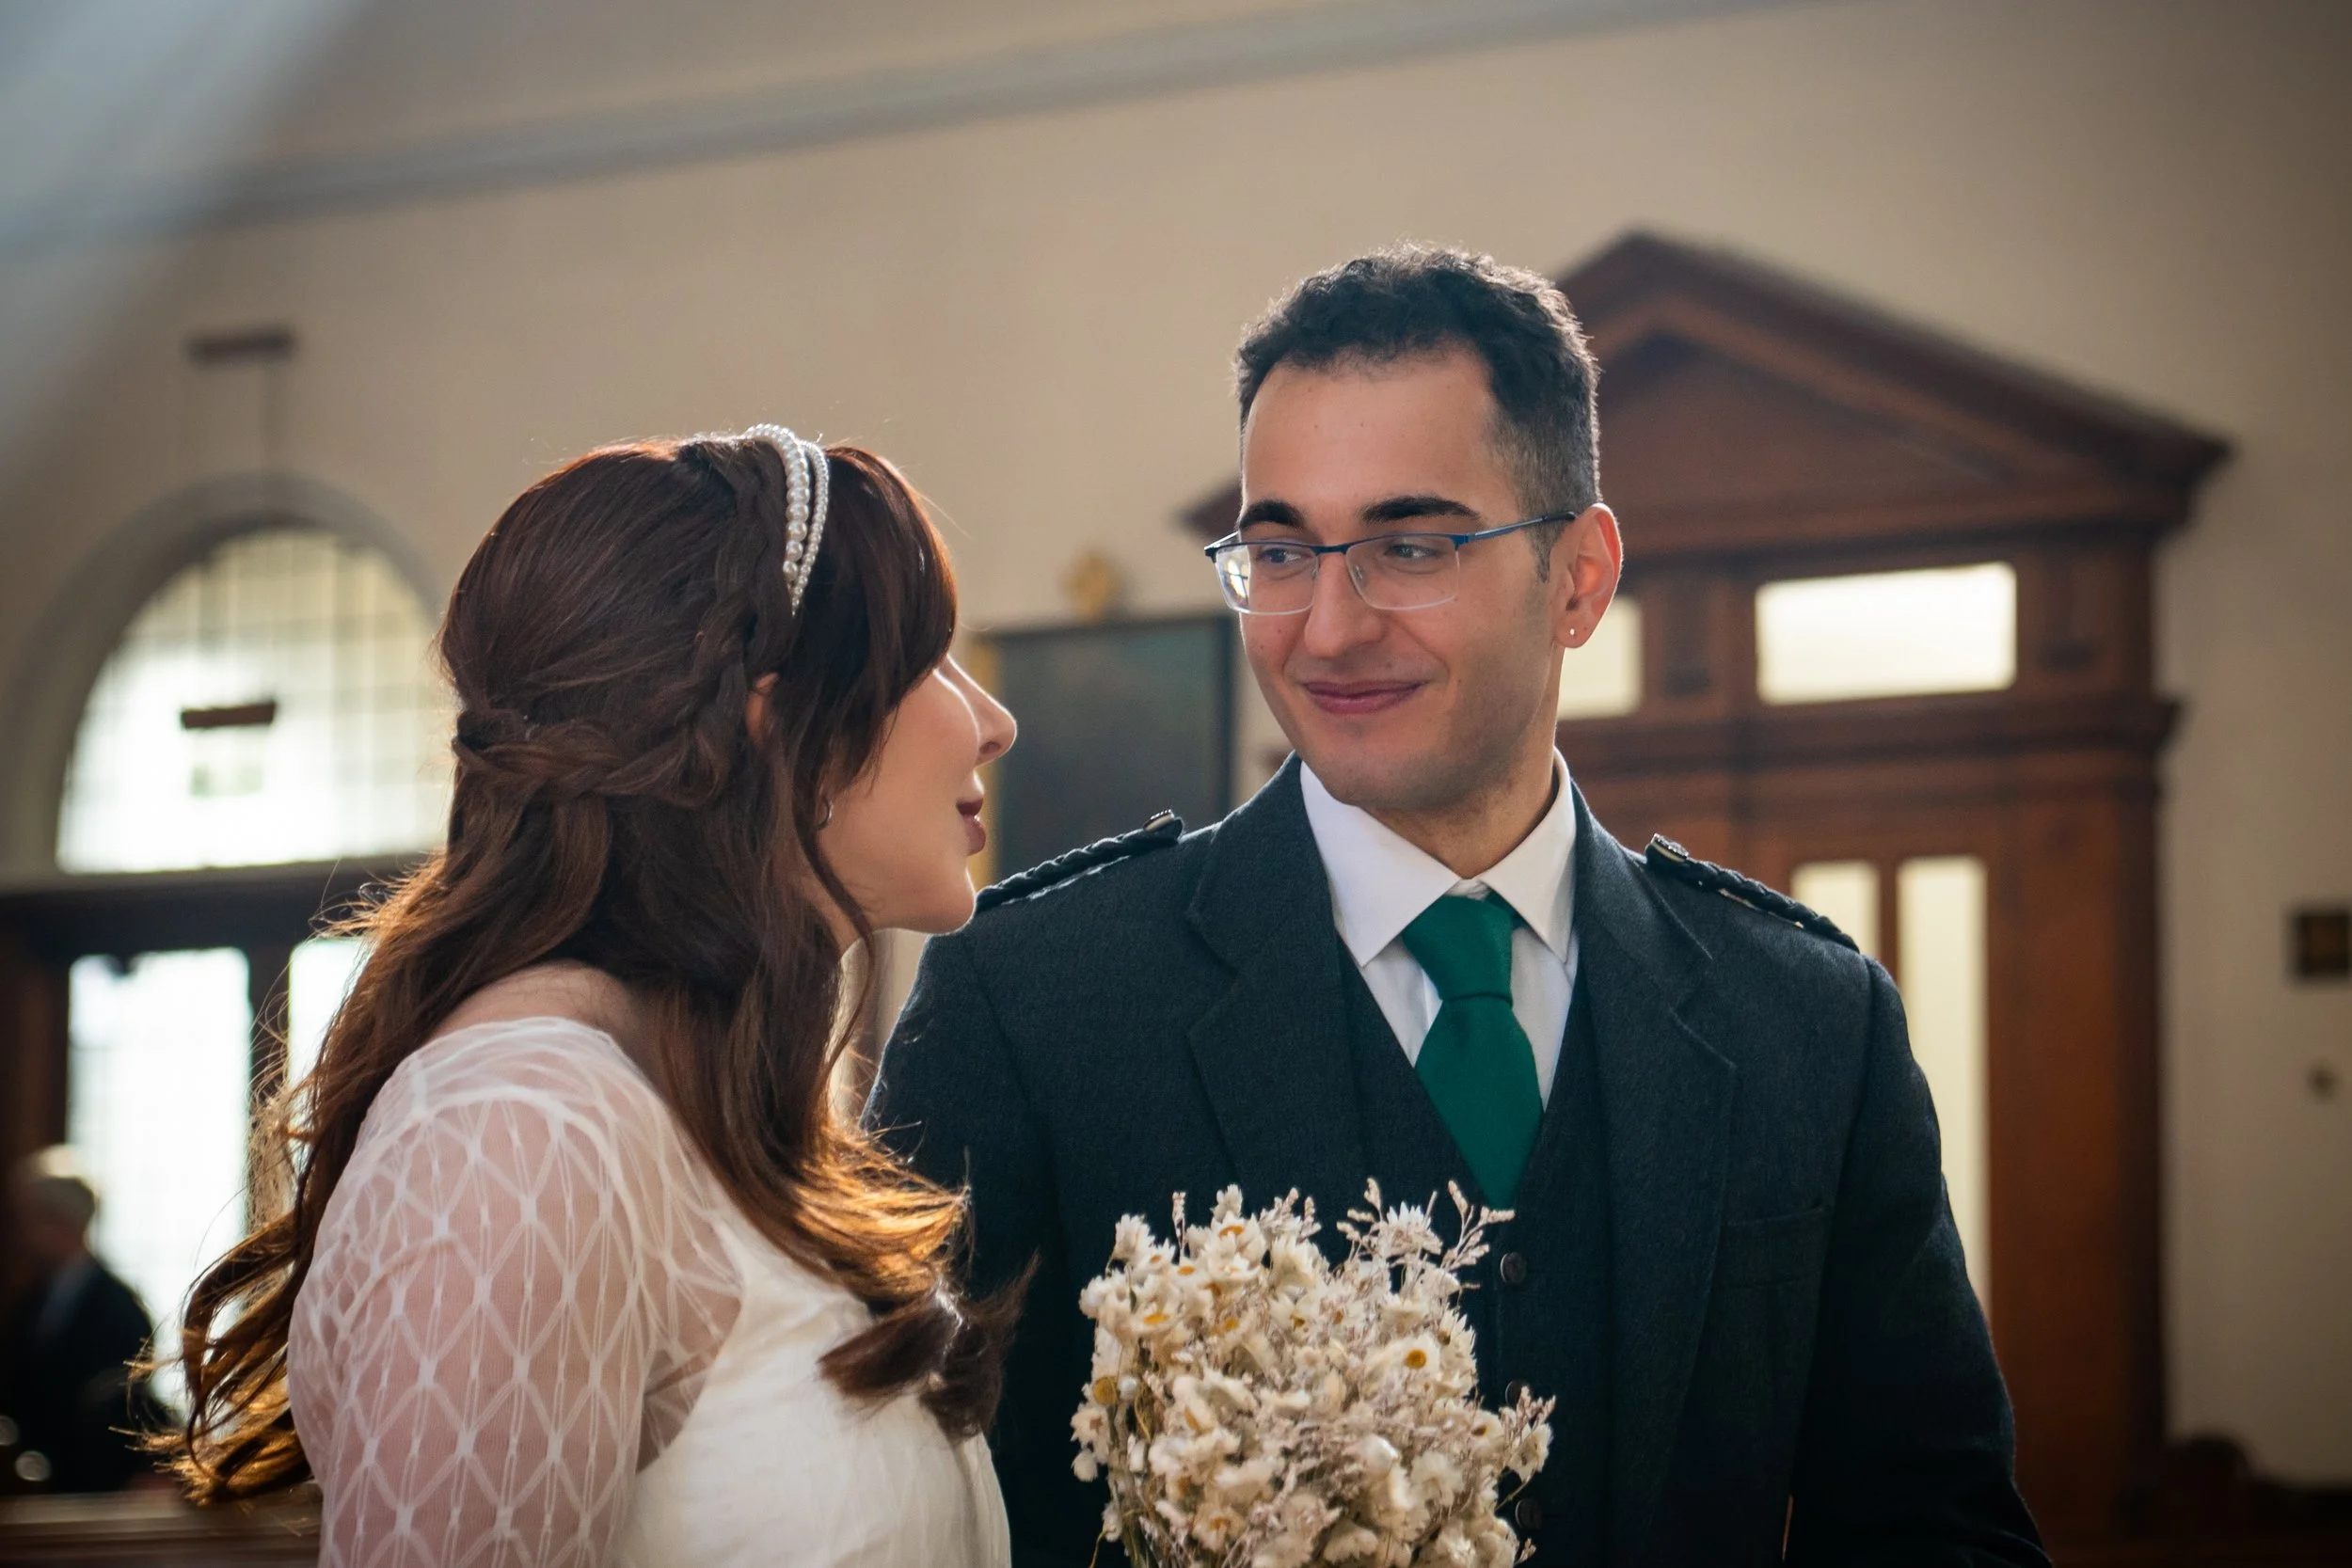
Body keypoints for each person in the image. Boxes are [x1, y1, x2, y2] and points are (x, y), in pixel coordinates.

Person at [871, 247, 2048, 1565]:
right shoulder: (1036, 999)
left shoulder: (1810, 1020)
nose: (1326, 627)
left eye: (1411, 544)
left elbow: (1935, 1530)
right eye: (1279, 550)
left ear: (1581, 578)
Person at [168, 428, 1021, 1567]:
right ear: (770, 720)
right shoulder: (515, 1126)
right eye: (931, 661)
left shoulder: (688, 1102)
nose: (991, 722)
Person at [1, 1149, 163, 1492]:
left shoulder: (118, 1306)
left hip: (94, 1489)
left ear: (60, 1222)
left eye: (24, 1219)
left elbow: (122, 1406)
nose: (17, 1234)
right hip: (32, 1488)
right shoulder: (31, 1302)